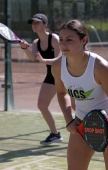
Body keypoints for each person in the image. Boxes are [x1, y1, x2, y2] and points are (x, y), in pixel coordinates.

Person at [51, 19, 108, 170]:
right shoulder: (57, 66)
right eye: (60, 39)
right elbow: (61, 93)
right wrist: (69, 120)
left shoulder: (100, 67)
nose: (63, 44)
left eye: (69, 40)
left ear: (83, 40)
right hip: (82, 121)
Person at [20, 13, 63, 145]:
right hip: (51, 76)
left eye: (37, 22)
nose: (34, 25)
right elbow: (33, 57)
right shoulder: (36, 42)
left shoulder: (54, 38)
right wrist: (25, 48)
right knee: (42, 105)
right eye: (32, 23)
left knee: (74, 106)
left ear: (44, 24)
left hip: (65, 75)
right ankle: (55, 134)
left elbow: (59, 60)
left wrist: (44, 60)